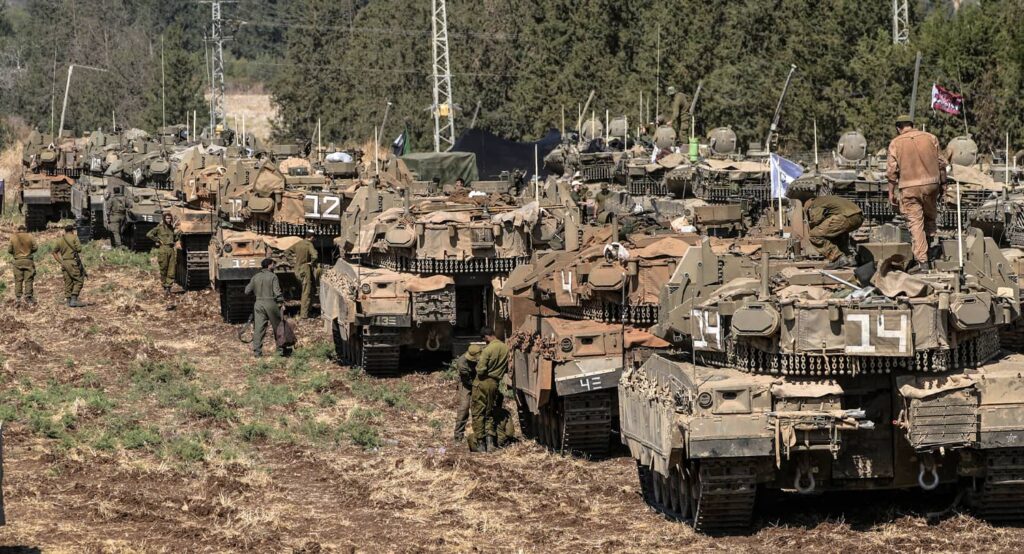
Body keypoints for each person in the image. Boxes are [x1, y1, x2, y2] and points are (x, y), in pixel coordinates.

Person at [886, 114, 947, 271]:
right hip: (932, 184)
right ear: (912, 125)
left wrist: (891, 192)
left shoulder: (895, 143)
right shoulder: (930, 137)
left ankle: (923, 261)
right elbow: (941, 163)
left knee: (915, 222)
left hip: (909, 187)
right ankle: (931, 246)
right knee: (929, 216)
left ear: (899, 128)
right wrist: (944, 184)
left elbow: (892, 172)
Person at [471, 327, 509, 453]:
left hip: (482, 383)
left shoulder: (487, 350)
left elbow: (481, 370)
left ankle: (481, 444)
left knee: (478, 413)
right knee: (490, 411)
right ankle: (490, 443)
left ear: (486, 337)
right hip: (495, 384)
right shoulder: (505, 348)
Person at [804, 196, 864, 269]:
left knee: (814, 235)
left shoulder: (815, 203)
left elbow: (816, 220)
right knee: (838, 235)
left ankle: (838, 258)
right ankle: (849, 258)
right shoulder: (826, 199)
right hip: (858, 217)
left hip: (846, 217)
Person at [245, 258, 284, 357]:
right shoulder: (273, 277)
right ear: (269, 265)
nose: (274, 266)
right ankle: (280, 350)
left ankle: (257, 352)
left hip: (258, 304)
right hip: (270, 303)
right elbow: (277, 292)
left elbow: (246, 291)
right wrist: (281, 302)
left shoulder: (255, 277)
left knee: (259, 328)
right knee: (278, 327)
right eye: (273, 264)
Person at [287, 230, 319, 318]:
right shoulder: (309, 244)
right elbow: (315, 255)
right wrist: (312, 263)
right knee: (306, 291)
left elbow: (287, 252)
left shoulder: (298, 243)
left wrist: (292, 262)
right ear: (312, 237)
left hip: (297, 269)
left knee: (309, 289)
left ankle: (309, 309)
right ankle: (304, 314)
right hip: (305, 269)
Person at [453, 343, 481, 442]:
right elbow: (467, 380)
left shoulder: (484, 358)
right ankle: (458, 436)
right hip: (466, 384)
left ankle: (479, 435)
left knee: (479, 409)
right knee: (464, 408)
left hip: (480, 383)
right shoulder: (462, 362)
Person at [146, 212, 180, 294]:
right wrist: (157, 240)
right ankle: (164, 285)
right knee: (163, 269)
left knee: (171, 269)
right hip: (163, 249)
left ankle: (169, 287)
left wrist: (178, 233)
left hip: (171, 249)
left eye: (170, 218)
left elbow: (174, 239)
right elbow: (149, 234)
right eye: (167, 218)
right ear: (164, 219)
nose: (169, 220)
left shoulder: (171, 228)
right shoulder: (159, 228)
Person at [54, 224, 86, 307]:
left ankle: (68, 301)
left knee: (68, 281)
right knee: (79, 280)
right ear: (72, 230)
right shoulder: (74, 237)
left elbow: (54, 252)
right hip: (72, 262)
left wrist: (61, 262)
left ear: (65, 231)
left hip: (64, 263)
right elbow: (79, 249)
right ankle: (74, 299)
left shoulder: (60, 240)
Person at [8, 225, 38, 306]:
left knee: (18, 280)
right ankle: (28, 297)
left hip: (17, 261)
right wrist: (29, 251)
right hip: (28, 260)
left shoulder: (13, 237)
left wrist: (16, 253)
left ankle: (18, 298)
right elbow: (35, 247)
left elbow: (9, 250)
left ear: (18, 230)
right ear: (25, 229)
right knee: (28, 279)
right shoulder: (30, 236)